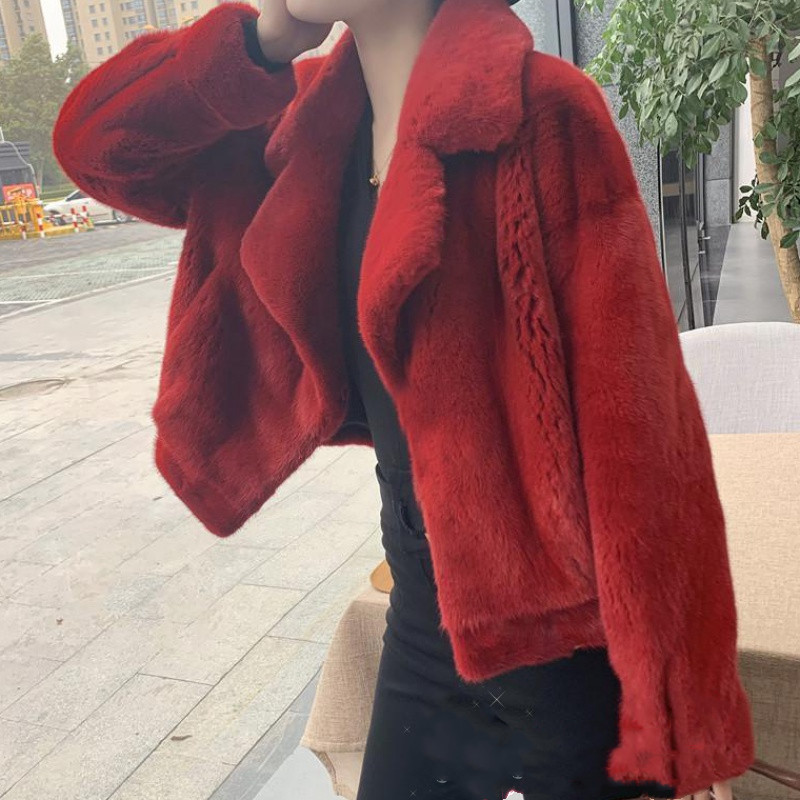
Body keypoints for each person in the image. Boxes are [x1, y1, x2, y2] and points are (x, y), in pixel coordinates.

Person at [51, 0, 755, 799]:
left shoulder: (541, 111)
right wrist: (254, 44)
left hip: (565, 644)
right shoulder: (304, 133)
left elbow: (639, 435)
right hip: (425, 620)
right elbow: (98, 149)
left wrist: (674, 707)